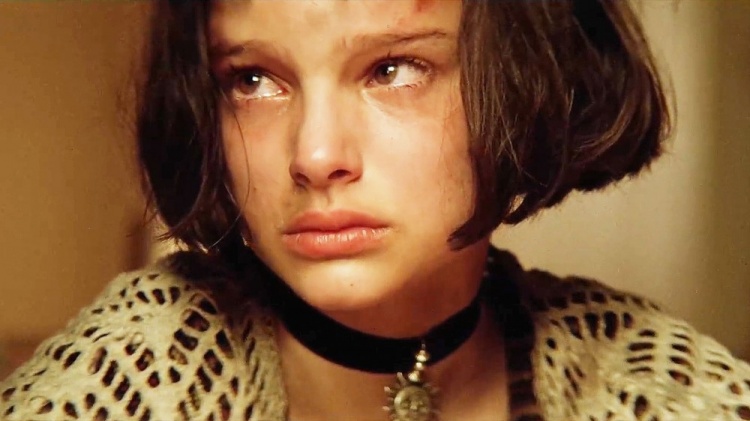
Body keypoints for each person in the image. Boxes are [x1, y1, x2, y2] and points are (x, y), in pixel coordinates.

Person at [2, 1, 749, 420]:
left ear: (528, 75)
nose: (315, 154)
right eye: (253, 80)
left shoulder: (663, 388)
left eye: (392, 69)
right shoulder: (126, 376)